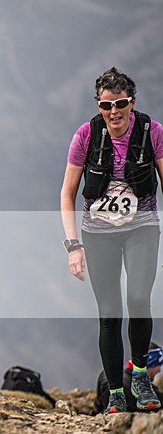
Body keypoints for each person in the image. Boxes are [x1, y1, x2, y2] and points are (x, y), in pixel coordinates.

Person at [60, 67, 163, 415]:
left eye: (120, 103)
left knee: (138, 299)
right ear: (99, 106)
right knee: (109, 314)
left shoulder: (152, 132)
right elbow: (67, 194)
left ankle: (140, 376)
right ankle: (116, 393)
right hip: (98, 233)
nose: (114, 111)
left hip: (141, 227)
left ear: (132, 102)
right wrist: (73, 246)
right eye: (106, 105)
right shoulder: (85, 136)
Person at [95, 343, 163, 414]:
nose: (159, 370)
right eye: (158, 364)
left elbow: (98, 406)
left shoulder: (106, 375)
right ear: (149, 362)